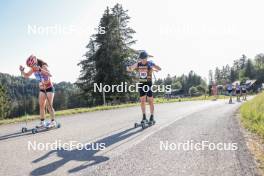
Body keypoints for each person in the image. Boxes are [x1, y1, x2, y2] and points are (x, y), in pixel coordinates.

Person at [19, 55, 56, 128]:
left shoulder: (43, 66)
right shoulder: (33, 69)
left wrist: (40, 70)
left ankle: (53, 122)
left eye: (31, 65)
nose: (31, 67)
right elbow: (26, 76)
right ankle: (42, 122)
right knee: (41, 106)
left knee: (49, 106)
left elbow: (50, 74)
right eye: (30, 66)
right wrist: (22, 71)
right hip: (42, 89)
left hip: (49, 88)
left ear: (35, 62)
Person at [127, 51, 161, 123]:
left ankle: (152, 116)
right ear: (140, 58)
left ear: (146, 58)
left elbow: (159, 68)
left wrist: (155, 68)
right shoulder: (138, 64)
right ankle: (144, 117)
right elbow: (131, 68)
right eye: (142, 59)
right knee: (142, 101)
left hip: (148, 83)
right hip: (141, 84)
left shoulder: (150, 63)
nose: (143, 60)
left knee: (150, 101)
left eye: (144, 58)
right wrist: (128, 68)